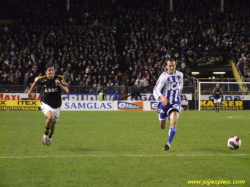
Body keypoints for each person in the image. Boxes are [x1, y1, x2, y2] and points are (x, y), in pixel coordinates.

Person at [28, 63, 69, 146]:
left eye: (52, 70)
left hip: (57, 105)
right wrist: (29, 92)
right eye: (49, 70)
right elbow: (35, 83)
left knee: (53, 123)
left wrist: (60, 85)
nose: (51, 72)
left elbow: (67, 91)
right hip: (45, 103)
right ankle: (45, 134)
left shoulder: (60, 78)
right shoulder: (42, 79)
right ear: (46, 72)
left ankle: (50, 137)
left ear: (54, 71)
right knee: (50, 117)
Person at [153, 58, 183, 151]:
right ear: (166, 66)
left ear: (175, 65)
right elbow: (155, 90)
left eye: (173, 65)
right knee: (162, 126)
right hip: (164, 104)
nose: (171, 67)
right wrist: (162, 97)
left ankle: (168, 143)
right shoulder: (163, 77)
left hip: (175, 102)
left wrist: (180, 93)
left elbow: (180, 85)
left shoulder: (180, 75)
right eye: (169, 65)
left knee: (173, 121)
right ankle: (165, 115)